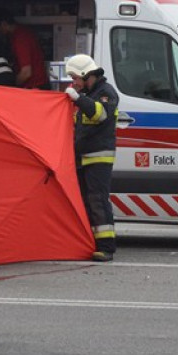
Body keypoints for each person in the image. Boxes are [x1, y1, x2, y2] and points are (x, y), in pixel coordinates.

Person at [64, 54, 119, 262]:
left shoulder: (105, 92)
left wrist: (78, 99)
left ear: (87, 75)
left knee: (98, 201)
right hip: (82, 157)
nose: (74, 83)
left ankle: (106, 247)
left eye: (75, 78)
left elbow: (100, 115)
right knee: (86, 202)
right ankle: (90, 243)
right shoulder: (88, 93)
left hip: (99, 157)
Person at [0, 8, 49, 89]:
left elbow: (26, 72)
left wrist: (11, 87)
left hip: (34, 87)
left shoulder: (20, 38)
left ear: (3, 24)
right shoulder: (20, 34)